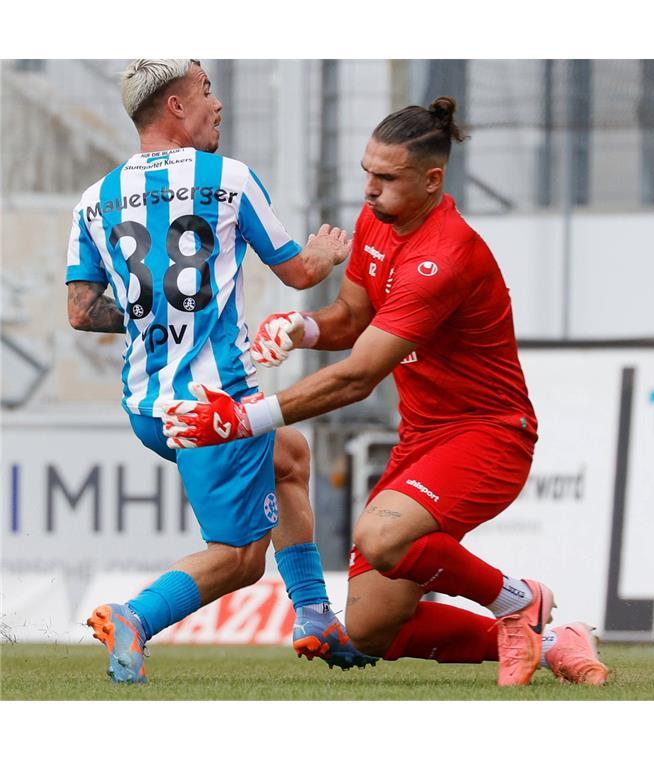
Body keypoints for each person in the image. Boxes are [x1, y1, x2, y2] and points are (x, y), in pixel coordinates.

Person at [162, 96, 610, 686]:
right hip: (422, 436)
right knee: (374, 628)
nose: (369, 191)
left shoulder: (444, 256)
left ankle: (517, 600)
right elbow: (352, 317)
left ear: (432, 180)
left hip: (489, 435)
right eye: (367, 173)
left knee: (382, 537)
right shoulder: (381, 220)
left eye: (386, 178)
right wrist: (301, 328)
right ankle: (552, 642)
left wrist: (244, 418)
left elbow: (358, 376)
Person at [66, 58, 375, 683]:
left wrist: (152, 312)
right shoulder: (228, 179)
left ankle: (315, 613)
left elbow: (80, 311)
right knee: (237, 560)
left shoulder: (94, 199)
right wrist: (327, 252)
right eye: (207, 91)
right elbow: (300, 274)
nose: (219, 104)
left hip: (147, 405)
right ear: (176, 107)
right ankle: (135, 617)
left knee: (288, 455)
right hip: (215, 406)